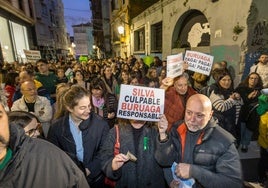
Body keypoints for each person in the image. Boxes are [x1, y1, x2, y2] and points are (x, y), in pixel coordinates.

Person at [0, 89, 89, 188]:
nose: (37, 133)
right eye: (31, 131)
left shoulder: (48, 156)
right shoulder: (57, 128)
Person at [155, 94, 243, 188]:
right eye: (189, 113)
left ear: (210, 115)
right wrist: (171, 180)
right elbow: (166, 162)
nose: (192, 120)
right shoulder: (177, 128)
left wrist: (194, 172)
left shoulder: (225, 141)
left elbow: (233, 184)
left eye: (199, 115)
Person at [47, 85, 110, 188]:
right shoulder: (56, 128)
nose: (88, 110)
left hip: (96, 179)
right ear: (69, 108)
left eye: (89, 105)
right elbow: (53, 155)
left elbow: (105, 151)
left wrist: (88, 170)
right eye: (82, 108)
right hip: (69, 180)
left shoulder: (101, 124)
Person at [100, 119, 166, 188]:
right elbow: (104, 158)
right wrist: (112, 166)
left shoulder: (157, 131)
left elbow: (166, 160)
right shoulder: (115, 131)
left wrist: (163, 134)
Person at [235, 72, 263, 152]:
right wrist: (248, 97)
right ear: (248, 79)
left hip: (253, 115)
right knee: (241, 130)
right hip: (242, 113)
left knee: (249, 131)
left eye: (256, 79)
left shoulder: (260, 90)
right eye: (251, 78)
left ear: (258, 80)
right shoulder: (241, 88)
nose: (253, 80)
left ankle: (245, 145)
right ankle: (238, 143)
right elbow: (238, 101)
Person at [256, 89, 268, 185]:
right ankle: (261, 178)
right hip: (266, 143)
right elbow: (263, 131)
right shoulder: (265, 114)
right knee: (264, 161)